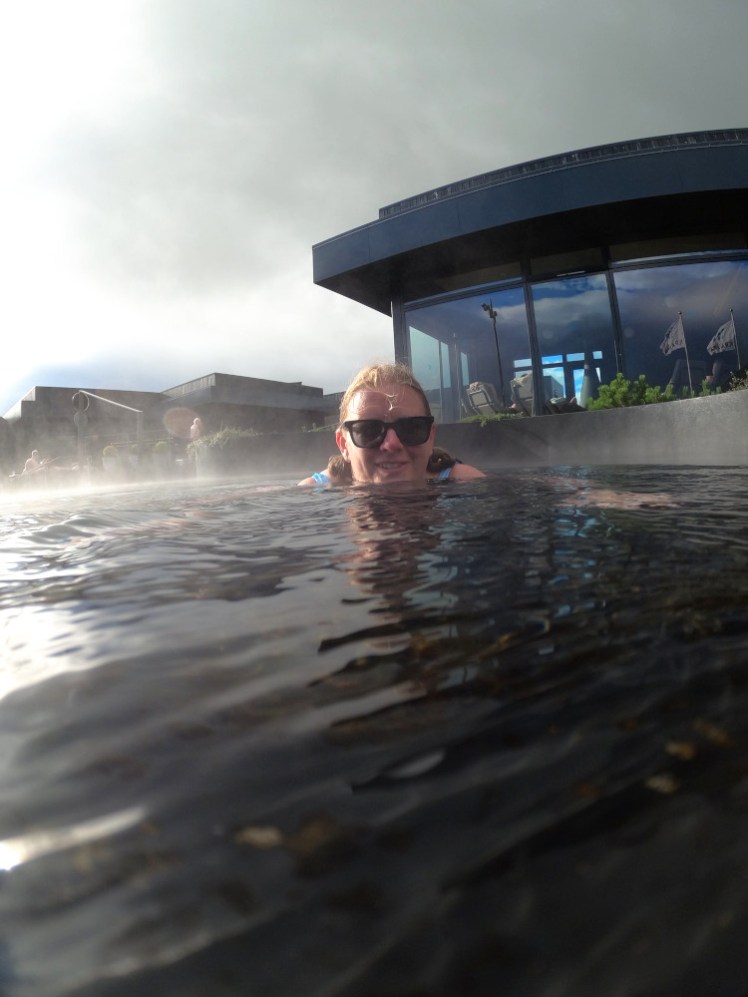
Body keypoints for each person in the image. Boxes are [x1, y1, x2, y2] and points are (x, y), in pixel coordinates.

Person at [299, 362, 485, 486]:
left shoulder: (464, 481)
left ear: (430, 438)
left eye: (411, 428)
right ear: (343, 445)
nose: (392, 444)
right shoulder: (315, 492)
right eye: (368, 430)